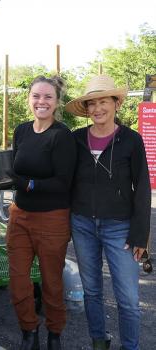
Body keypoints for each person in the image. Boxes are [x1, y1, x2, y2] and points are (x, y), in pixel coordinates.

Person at [66, 75, 151, 350]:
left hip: (121, 228)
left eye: (103, 101)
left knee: (127, 298)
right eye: (92, 103)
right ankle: (99, 343)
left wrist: (140, 235)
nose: (97, 108)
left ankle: (130, 347)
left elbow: (143, 188)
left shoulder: (131, 140)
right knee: (91, 291)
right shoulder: (76, 140)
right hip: (82, 225)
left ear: (116, 103)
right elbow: (64, 179)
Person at [5, 76, 77, 350]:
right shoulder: (22, 131)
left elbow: (63, 182)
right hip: (20, 215)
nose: (41, 102)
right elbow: (15, 168)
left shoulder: (62, 136)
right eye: (36, 96)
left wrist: (30, 184)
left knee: (52, 282)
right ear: (29, 99)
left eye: (48, 97)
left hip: (52, 219)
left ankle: (55, 334)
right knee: (18, 279)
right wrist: (7, 177)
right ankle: (28, 331)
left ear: (57, 102)